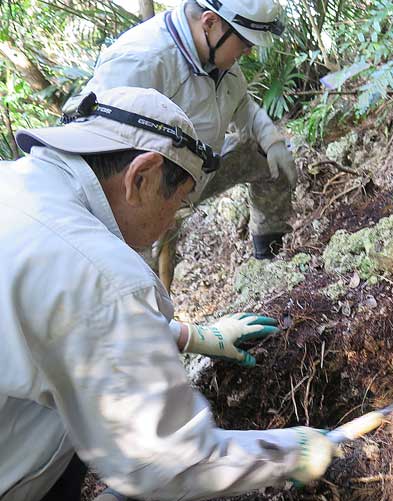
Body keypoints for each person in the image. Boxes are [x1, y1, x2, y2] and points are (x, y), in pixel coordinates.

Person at [0, 87, 334, 501]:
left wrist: (197, 337)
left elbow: (62, 325)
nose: (173, 220)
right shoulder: (96, 270)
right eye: (178, 204)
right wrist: (289, 452)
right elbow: (163, 460)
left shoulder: (19, 188)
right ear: (141, 176)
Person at [66, 0, 299, 288]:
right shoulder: (141, 60)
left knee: (265, 160)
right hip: (141, 191)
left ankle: (269, 261)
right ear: (210, 22)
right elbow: (97, 146)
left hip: (199, 170)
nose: (249, 51)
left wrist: (271, 139)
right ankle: (152, 321)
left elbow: (243, 105)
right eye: (244, 41)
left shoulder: (219, 57)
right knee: (136, 276)